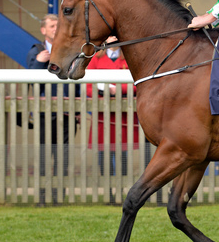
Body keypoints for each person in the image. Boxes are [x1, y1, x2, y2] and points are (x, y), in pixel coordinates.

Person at [26, 14, 78, 203]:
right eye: (52, 26)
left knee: (62, 156)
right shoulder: (36, 51)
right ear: (43, 30)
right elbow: (32, 83)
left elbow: (77, 80)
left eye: (58, 25)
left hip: (66, 112)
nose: (56, 28)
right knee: (43, 154)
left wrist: (78, 111)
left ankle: (59, 196)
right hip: (43, 114)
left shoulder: (69, 50)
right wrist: (40, 62)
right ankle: (41, 196)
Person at [86, 37, 139, 179]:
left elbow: (137, 82)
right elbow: (88, 87)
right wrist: (104, 89)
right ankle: (108, 190)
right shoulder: (95, 58)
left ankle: (121, 190)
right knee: (104, 153)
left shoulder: (130, 57)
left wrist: (119, 89)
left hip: (124, 114)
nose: (113, 39)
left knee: (123, 153)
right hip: (103, 115)